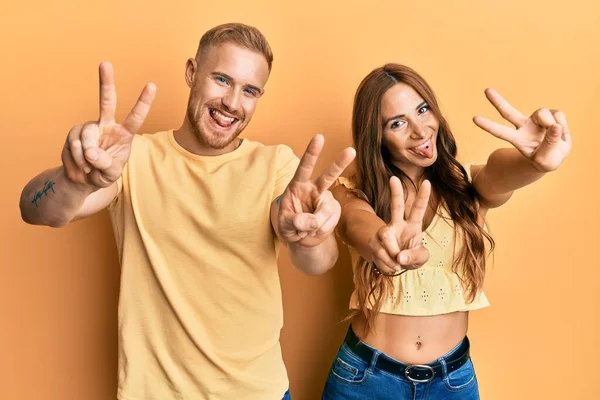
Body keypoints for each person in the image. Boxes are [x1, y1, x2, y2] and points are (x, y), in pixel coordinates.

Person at [19, 23, 355, 400]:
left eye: (249, 90)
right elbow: (36, 209)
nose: (232, 102)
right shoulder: (132, 159)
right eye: (222, 79)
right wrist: (75, 181)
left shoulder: (276, 165)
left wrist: (310, 236)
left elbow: (318, 261)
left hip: (258, 393)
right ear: (191, 72)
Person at [321, 63, 571, 399]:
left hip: (451, 383)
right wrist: (382, 241)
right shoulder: (350, 190)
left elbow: (498, 171)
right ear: (376, 137)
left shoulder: (468, 187)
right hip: (365, 381)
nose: (420, 130)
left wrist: (534, 163)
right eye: (397, 123)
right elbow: (355, 221)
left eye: (423, 109)